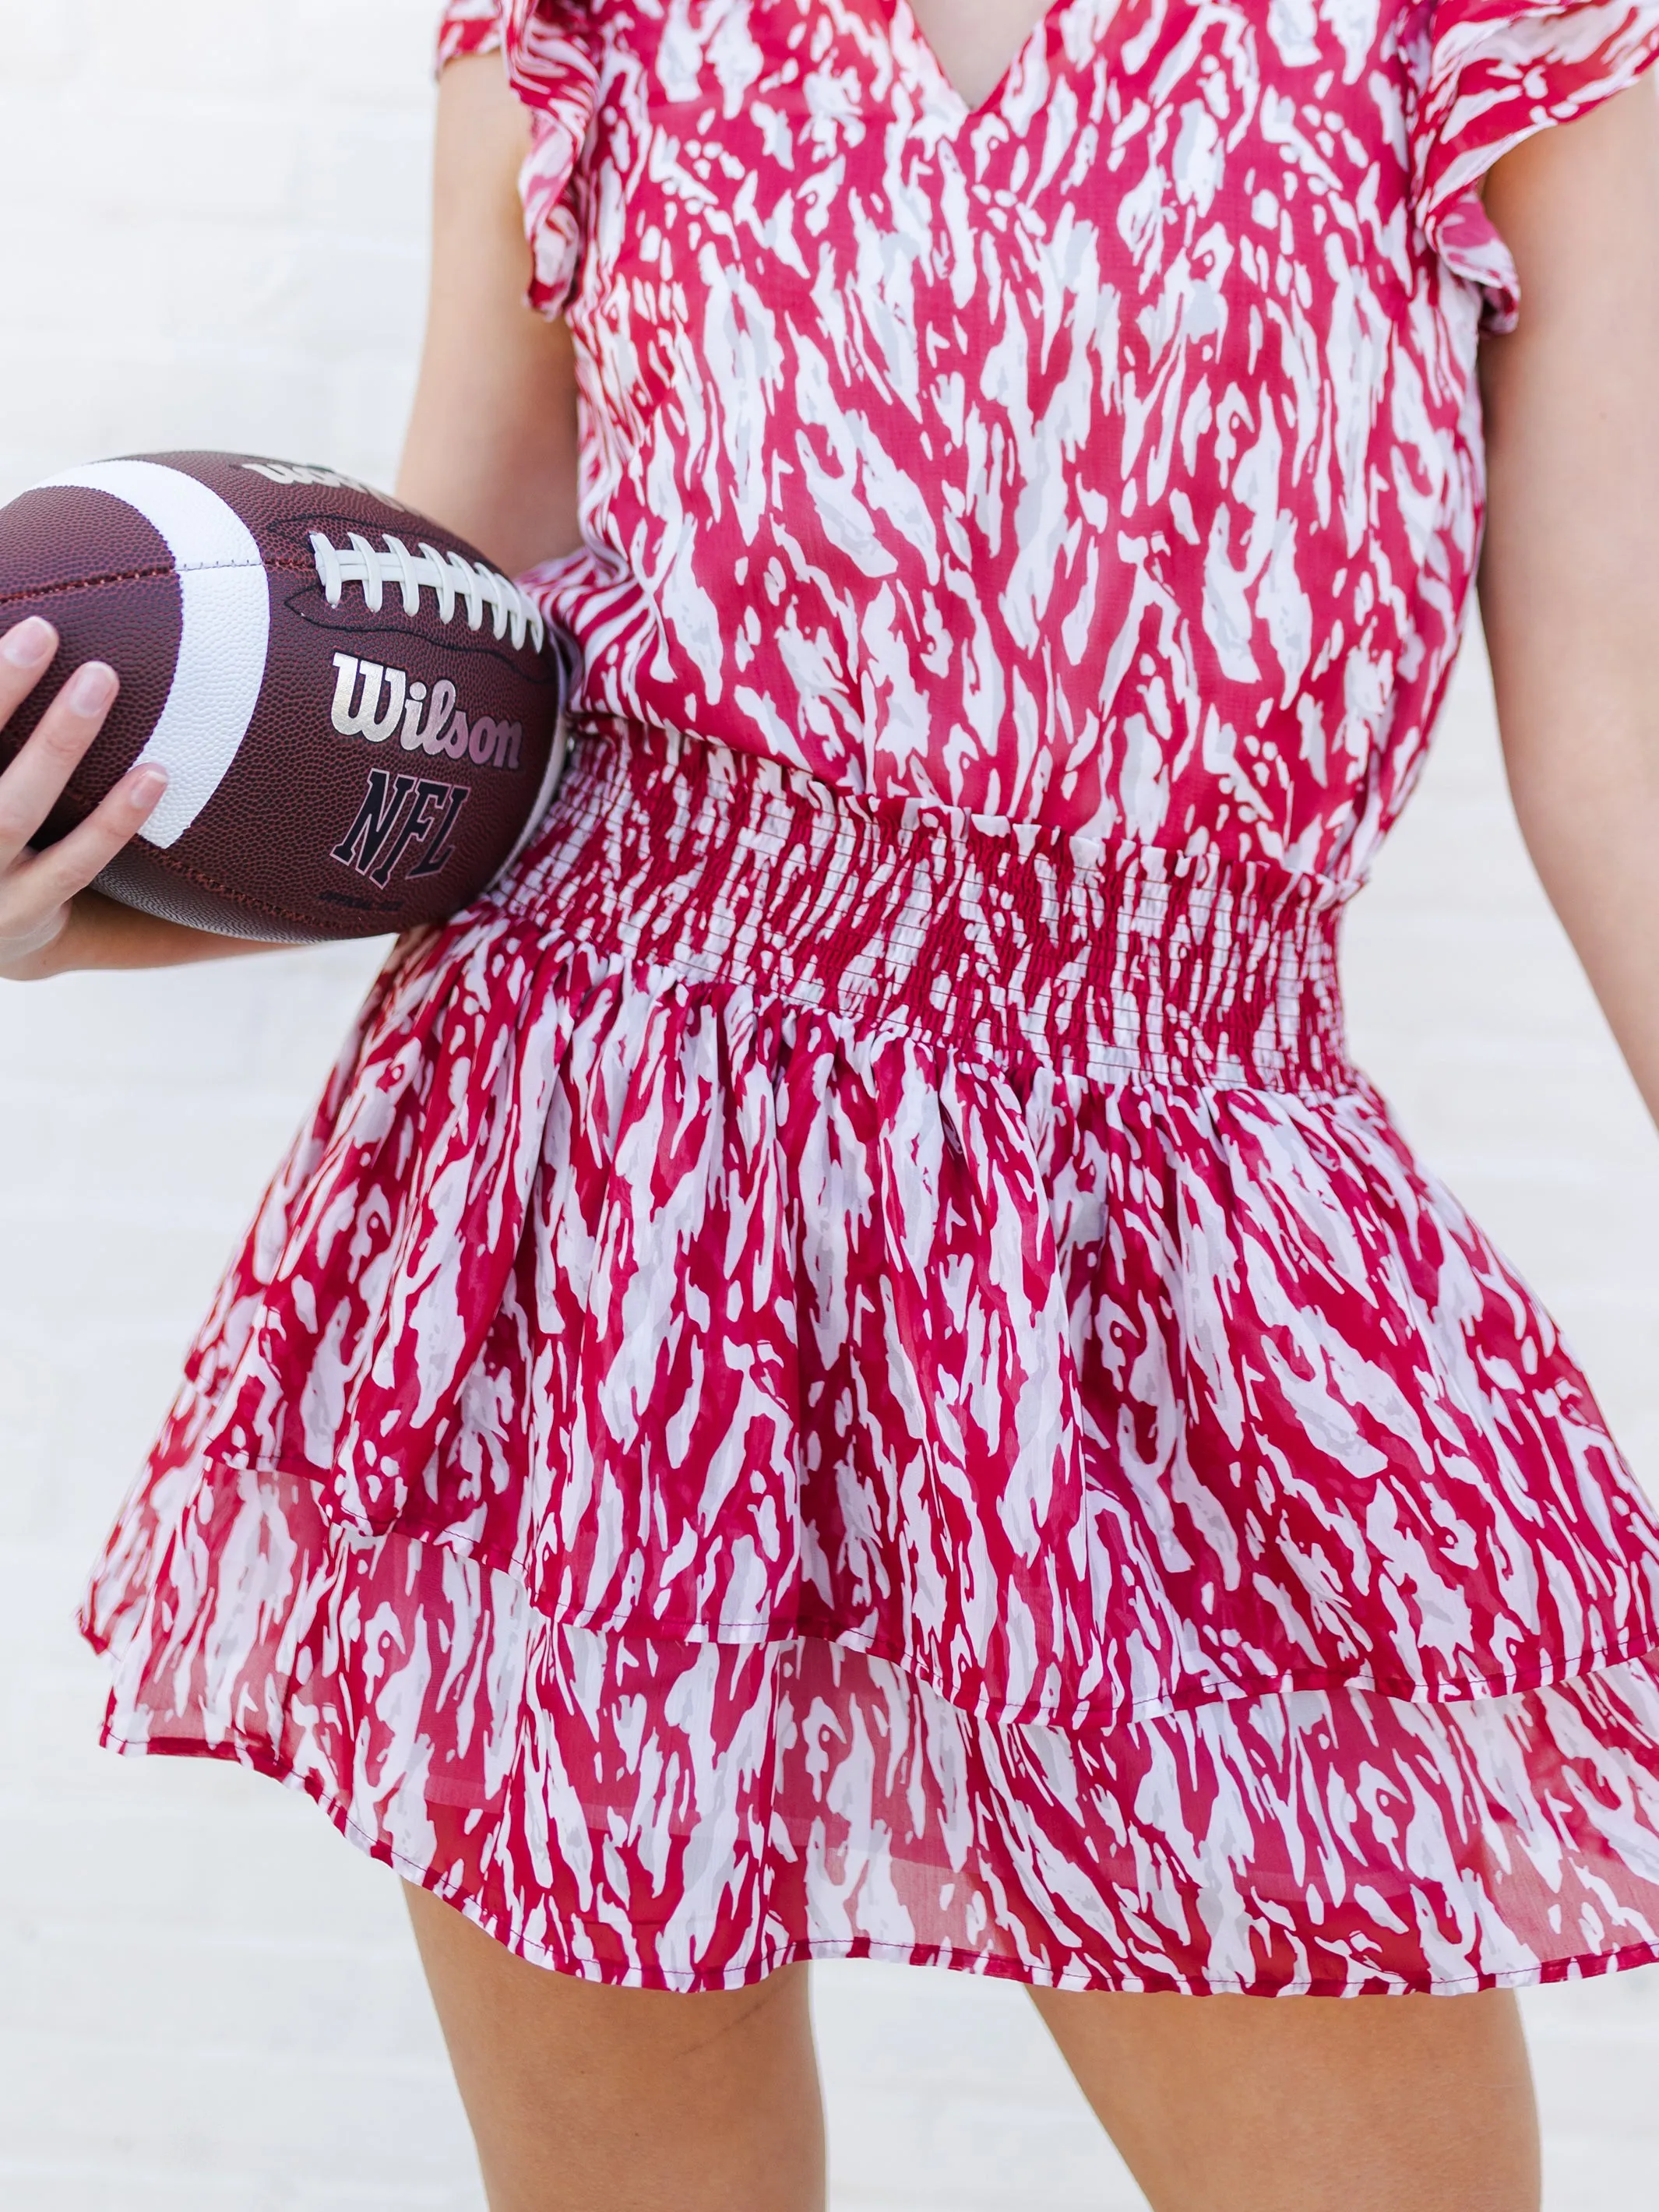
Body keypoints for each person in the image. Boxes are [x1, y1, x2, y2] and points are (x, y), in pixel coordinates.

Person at [5, 0, 1659, 2203]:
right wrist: (86, 897)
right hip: (610, 1191)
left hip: (1163, 1242)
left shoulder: (1501, 37)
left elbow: (1617, 738)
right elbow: (439, 696)